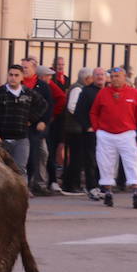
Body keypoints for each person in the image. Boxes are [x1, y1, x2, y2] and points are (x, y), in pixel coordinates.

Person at [89, 67, 137, 208]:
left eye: (118, 76)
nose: (114, 79)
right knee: (105, 163)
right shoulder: (103, 93)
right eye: (112, 76)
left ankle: (136, 192)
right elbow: (94, 112)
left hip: (127, 134)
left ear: (125, 77)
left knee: (132, 162)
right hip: (106, 134)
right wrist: (97, 128)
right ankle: (108, 193)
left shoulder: (135, 94)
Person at [0, 64, 43, 176]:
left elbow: (43, 105)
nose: (13, 78)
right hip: (2, 138)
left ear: (22, 77)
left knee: (20, 169)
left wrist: (31, 119)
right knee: (1, 170)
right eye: (11, 75)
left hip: (21, 138)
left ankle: (21, 193)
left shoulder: (28, 93)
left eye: (16, 75)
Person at [20, 56, 63, 195]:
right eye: (22, 67)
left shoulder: (43, 86)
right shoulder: (18, 83)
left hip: (36, 126)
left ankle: (36, 183)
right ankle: (24, 184)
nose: (23, 70)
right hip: (20, 125)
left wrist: (44, 121)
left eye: (25, 67)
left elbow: (48, 105)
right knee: (23, 156)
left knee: (36, 155)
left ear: (34, 69)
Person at [62, 68, 100, 198]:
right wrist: (84, 119)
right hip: (76, 129)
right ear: (87, 79)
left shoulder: (82, 88)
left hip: (79, 128)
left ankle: (74, 184)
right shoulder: (78, 89)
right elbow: (72, 107)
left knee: (80, 157)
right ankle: (71, 184)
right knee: (77, 158)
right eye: (92, 77)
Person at [46, 56, 71, 193]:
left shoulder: (65, 79)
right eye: (59, 64)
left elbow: (64, 97)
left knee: (60, 146)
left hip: (62, 117)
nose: (61, 66)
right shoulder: (51, 79)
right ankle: (51, 178)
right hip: (52, 116)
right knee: (50, 147)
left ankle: (58, 175)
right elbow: (60, 97)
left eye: (62, 64)